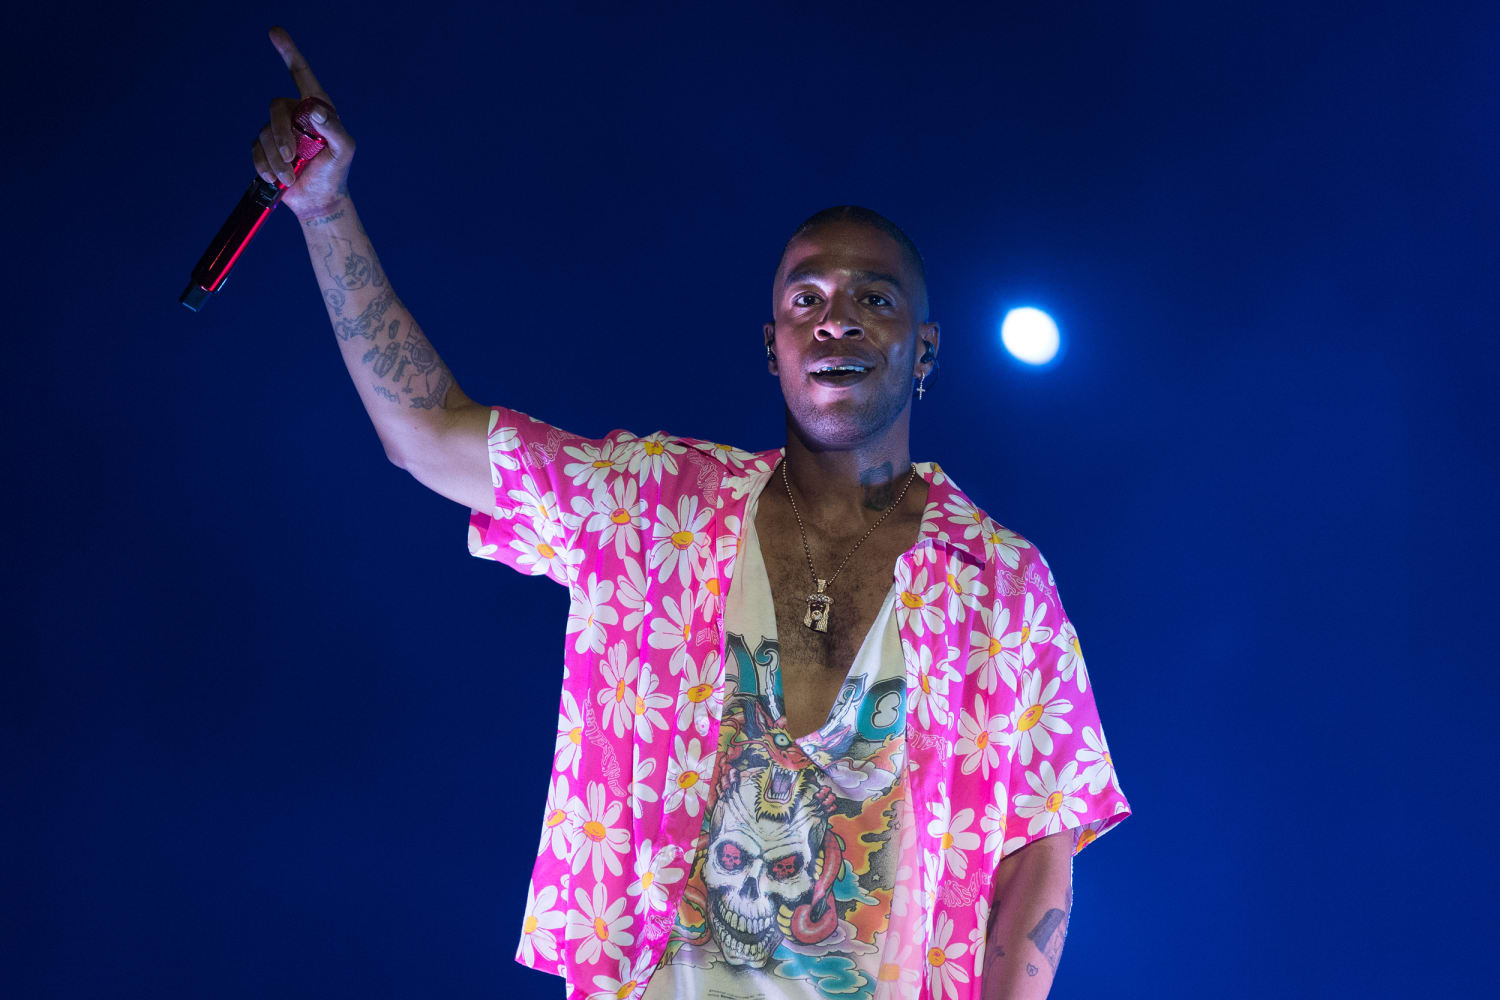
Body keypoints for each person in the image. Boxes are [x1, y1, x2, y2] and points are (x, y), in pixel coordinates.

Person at [252, 25, 1131, 1000]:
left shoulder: (1002, 581)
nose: (835, 317)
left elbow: (1040, 854)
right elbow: (425, 431)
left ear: (923, 350)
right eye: (807, 299)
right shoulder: (653, 504)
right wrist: (325, 211)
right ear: (772, 346)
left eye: (872, 298)